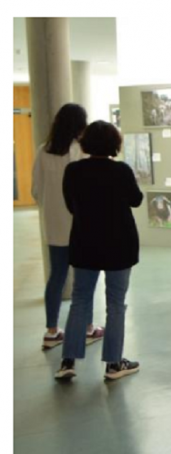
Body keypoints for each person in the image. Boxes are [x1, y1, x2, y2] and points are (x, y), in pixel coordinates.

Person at [54, 121, 143, 381]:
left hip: (85, 243)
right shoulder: (121, 170)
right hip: (120, 244)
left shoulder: (73, 170)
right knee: (116, 304)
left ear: (85, 143)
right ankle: (114, 364)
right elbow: (136, 200)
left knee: (80, 300)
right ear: (115, 144)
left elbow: (71, 205)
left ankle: (67, 362)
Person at [32, 104, 105, 350]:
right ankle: (86, 328)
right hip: (81, 225)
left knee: (56, 277)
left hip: (53, 225)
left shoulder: (43, 151)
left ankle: (51, 331)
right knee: (83, 279)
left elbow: (35, 190)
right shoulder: (80, 152)